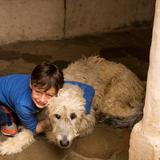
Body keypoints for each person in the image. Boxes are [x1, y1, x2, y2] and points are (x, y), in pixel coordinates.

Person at [0, 61, 64, 136]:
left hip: (9, 89)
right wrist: (50, 122)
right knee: (14, 123)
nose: (42, 100)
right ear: (31, 84)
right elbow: (34, 129)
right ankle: (6, 117)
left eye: (49, 95)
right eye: (38, 92)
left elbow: (78, 86)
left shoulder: (53, 83)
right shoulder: (23, 105)